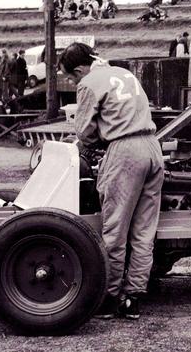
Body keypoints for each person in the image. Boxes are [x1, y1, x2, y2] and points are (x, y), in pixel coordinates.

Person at [58, 43, 164, 320]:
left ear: (80, 69)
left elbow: (85, 132)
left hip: (124, 151)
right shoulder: (123, 73)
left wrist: (90, 144)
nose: (73, 82)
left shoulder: (89, 82)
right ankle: (133, 298)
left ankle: (109, 295)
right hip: (153, 148)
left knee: (115, 231)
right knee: (143, 232)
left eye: (71, 77)